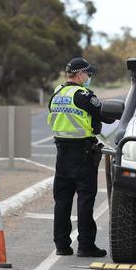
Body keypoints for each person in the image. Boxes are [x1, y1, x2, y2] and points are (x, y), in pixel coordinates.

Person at [47, 57, 115, 257]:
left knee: (62, 200)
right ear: (79, 74)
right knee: (85, 200)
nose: (89, 76)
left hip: (62, 153)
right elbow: (105, 115)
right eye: (88, 73)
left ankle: (61, 245)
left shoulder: (57, 93)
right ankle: (85, 245)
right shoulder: (84, 95)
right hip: (83, 154)